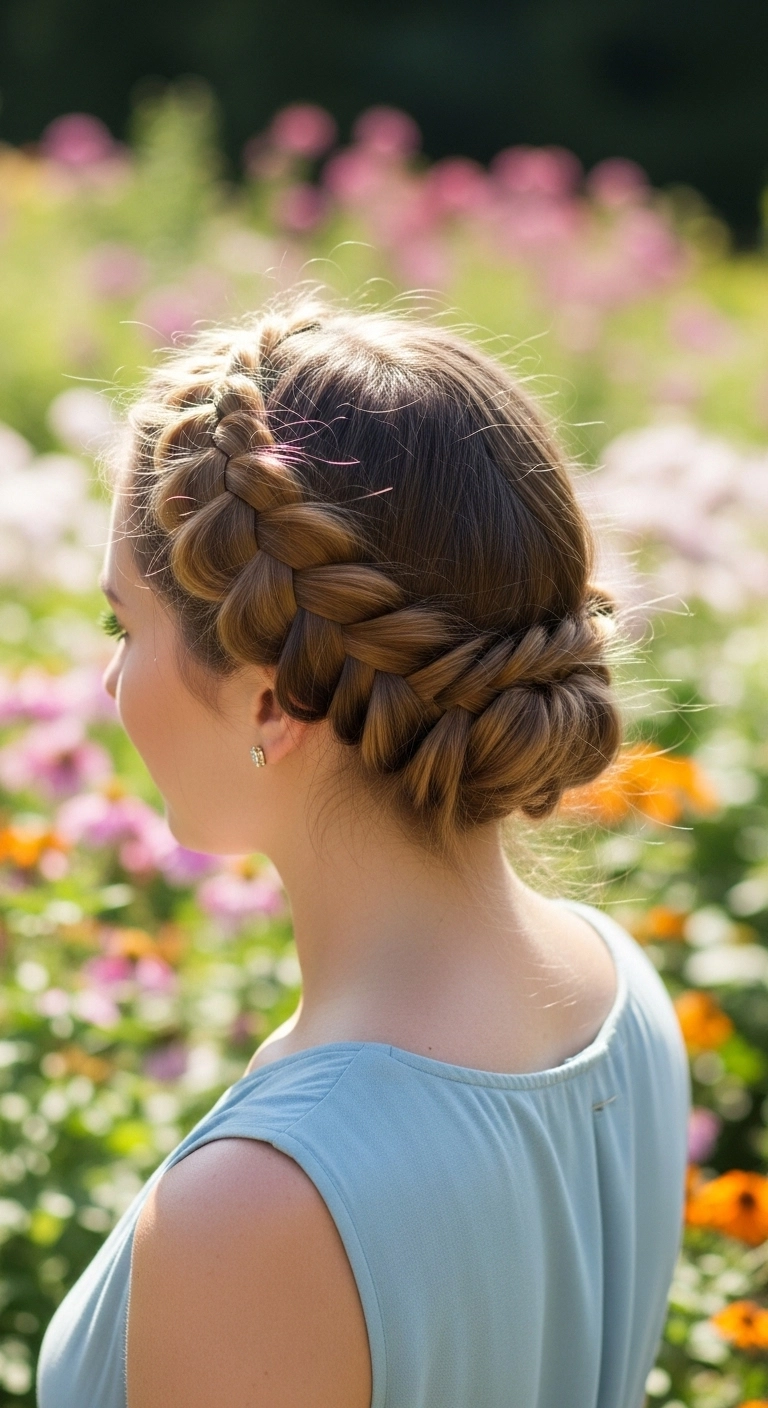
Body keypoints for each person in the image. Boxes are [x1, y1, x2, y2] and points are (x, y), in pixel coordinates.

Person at [37, 301, 690, 1408]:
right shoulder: (621, 996)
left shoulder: (256, 1209)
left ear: (274, 697)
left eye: (123, 627)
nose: (110, 684)